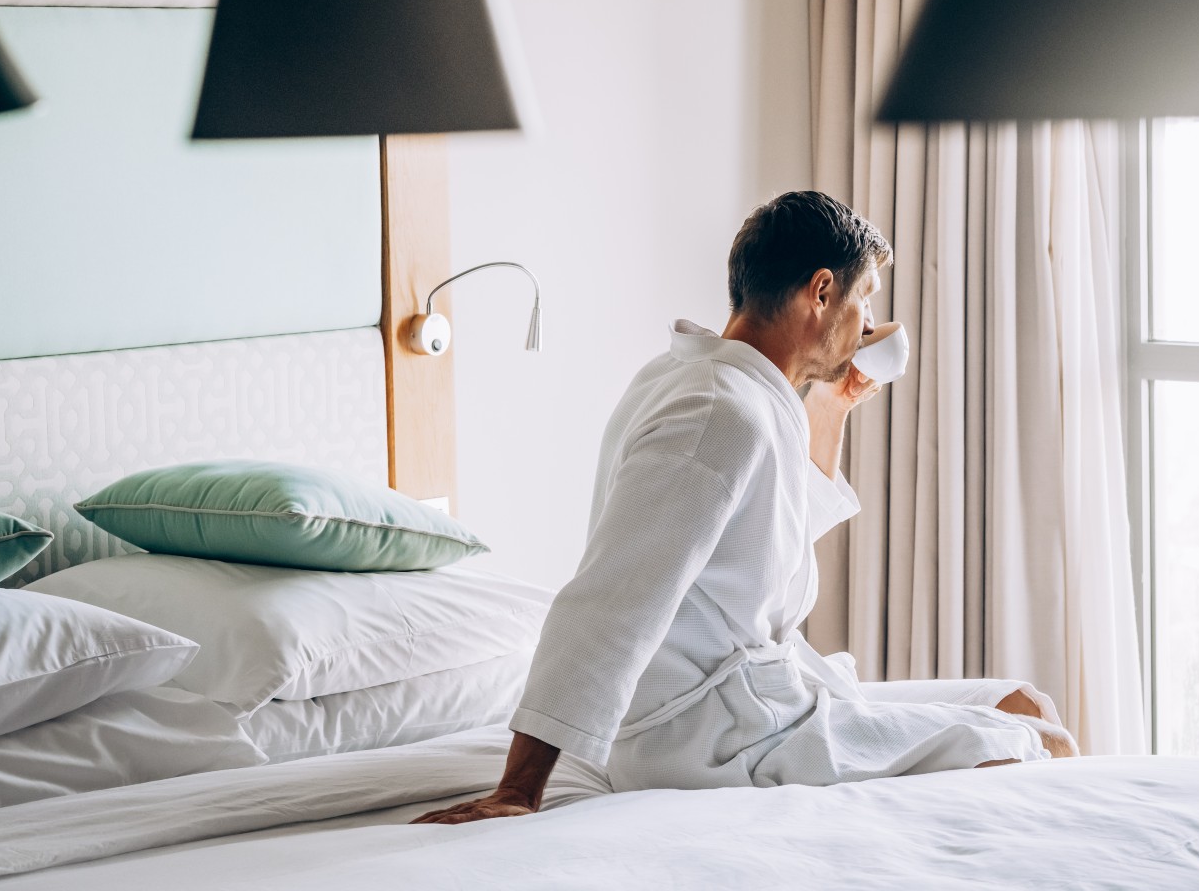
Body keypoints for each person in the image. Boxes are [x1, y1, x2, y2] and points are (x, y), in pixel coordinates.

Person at [413, 191, 1074, 825]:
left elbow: (763, 542)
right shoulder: (717, 414)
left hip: (754, 705)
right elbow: (609, 601)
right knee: (1031, 738)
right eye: (863, 300)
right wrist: (519, 790)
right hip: (713, 735)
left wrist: (833, 404)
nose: (869, 326)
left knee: (1019, 703)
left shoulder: (725, 390)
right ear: (820, 291)